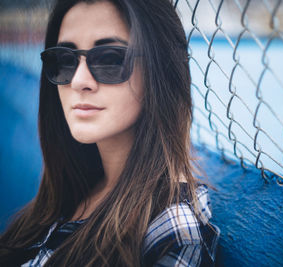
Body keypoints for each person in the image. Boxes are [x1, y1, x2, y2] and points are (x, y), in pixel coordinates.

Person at [0, 0, 219, 266]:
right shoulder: (70, 192)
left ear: (158, 71)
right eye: (64, 61)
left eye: (110, 59)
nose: (79, 81)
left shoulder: (170, 229)